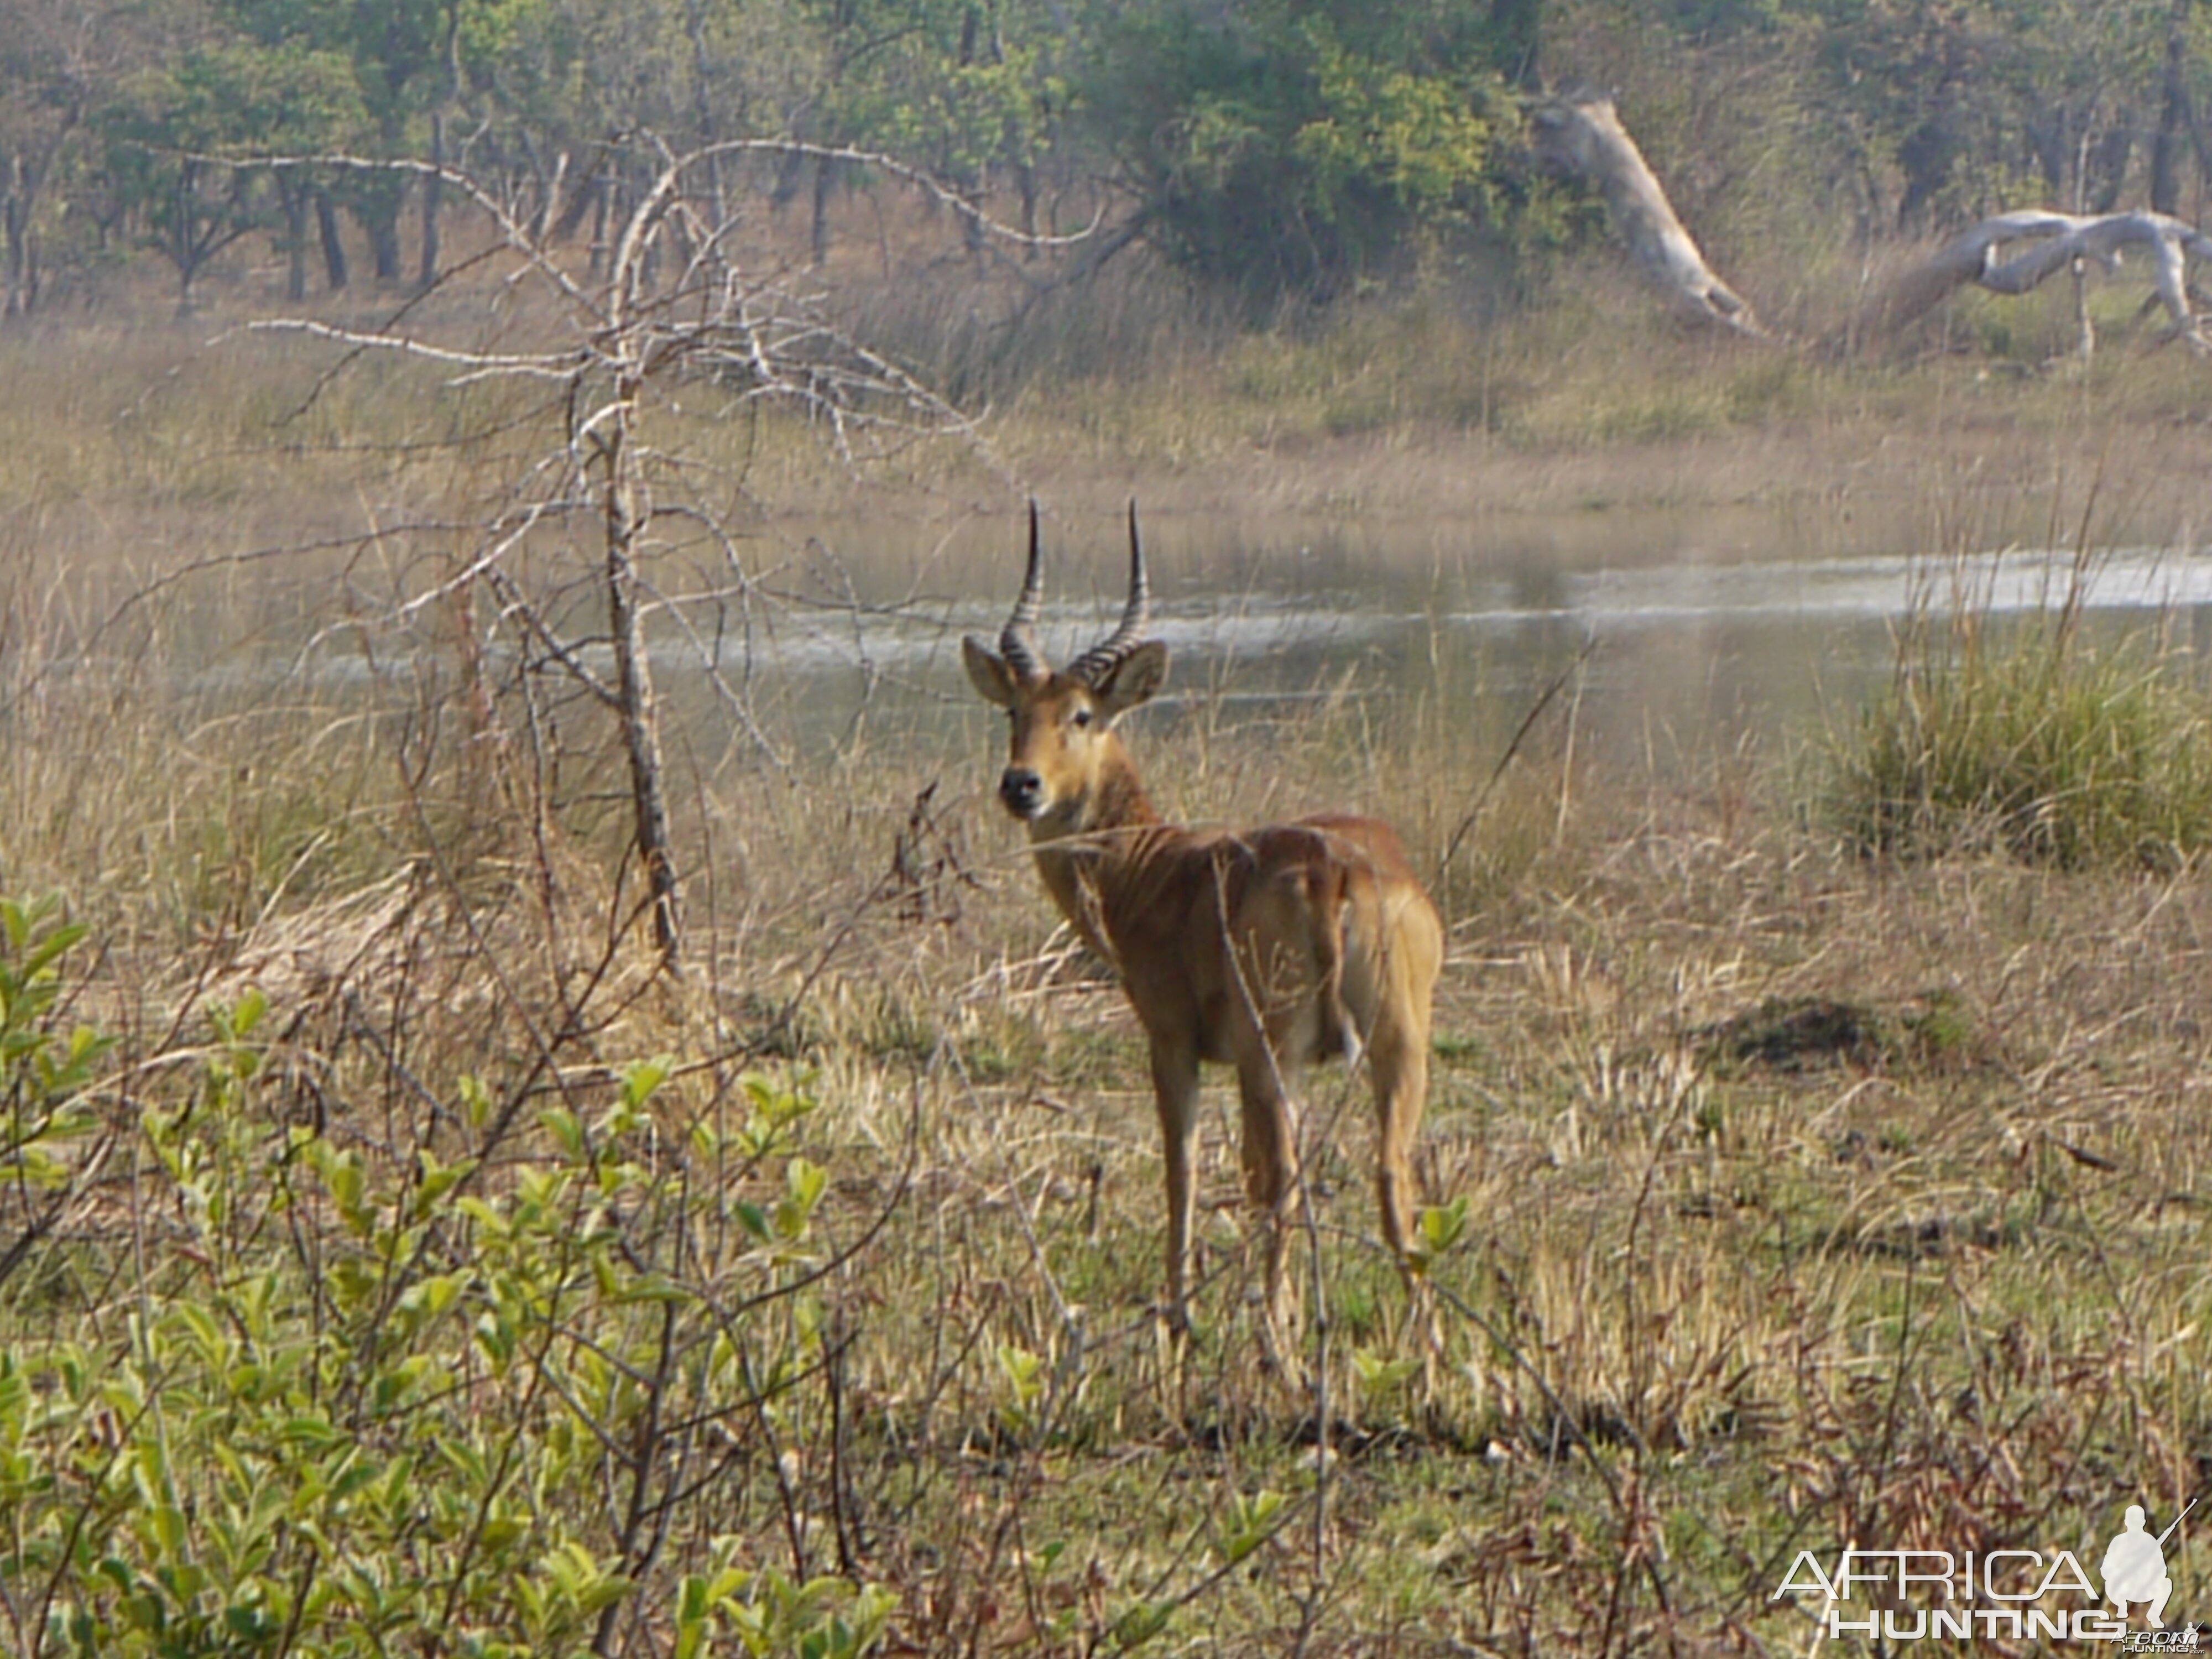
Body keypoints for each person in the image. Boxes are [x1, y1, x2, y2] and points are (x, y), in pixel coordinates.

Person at [2104, 1505, 2174, 1629]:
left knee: (2166, 1584)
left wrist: (2149, 1573)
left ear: (2143, 1522)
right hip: (2123, 1589)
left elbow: (2162, 1569)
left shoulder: (2150, 1542)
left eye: (2138, 1520)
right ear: (2126, 1522)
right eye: (2132, 1520)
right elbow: (2106, 1569)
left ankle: (2154, 1615)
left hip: (2144, 1587)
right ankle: (2121, 1609)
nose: (2135, 1524)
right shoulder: (2118, 1542)